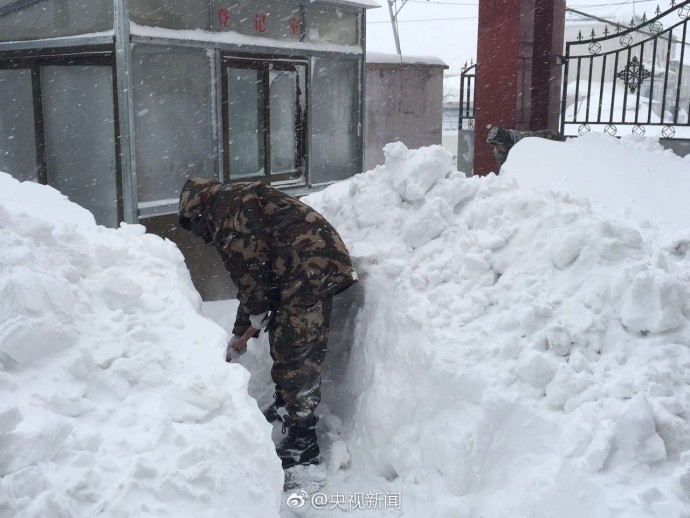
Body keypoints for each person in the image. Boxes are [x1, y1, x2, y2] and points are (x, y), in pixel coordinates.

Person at [178, 177, 357, 470]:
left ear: (198, 211)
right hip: (298, 265)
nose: (201, 236)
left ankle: (303, 441)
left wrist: (255, 311)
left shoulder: (228, 213)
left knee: (296, 348)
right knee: (284, 337)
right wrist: (242, 330)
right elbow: (251, 281)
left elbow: (251, 274)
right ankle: (287, 404)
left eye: (197, 228)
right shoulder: (230, 203)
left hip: (310, 266)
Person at [486, 126, 566, 168]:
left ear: (506, 142)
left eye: (499, 146)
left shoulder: (527, 142)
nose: (498, 148)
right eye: (496, 146)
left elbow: (553, 135)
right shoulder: (499, 154)